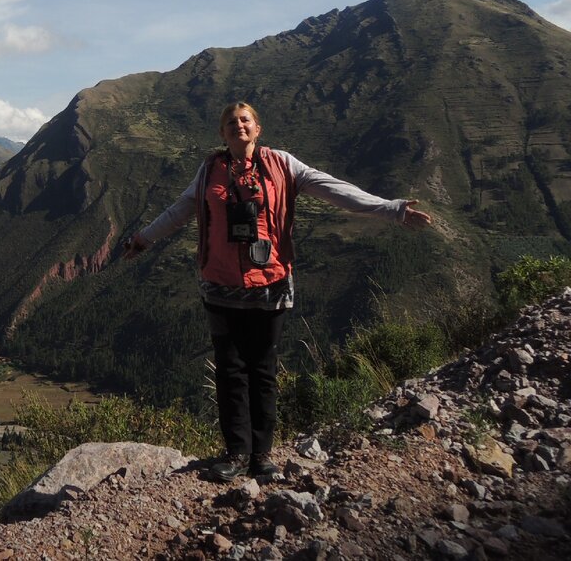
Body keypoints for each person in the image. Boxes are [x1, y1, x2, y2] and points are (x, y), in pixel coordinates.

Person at [121, 101, 431, 482]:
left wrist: (392, 209)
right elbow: (180, 210)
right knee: (230, 370)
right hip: (219, 287)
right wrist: (143, 240)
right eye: (231, 122)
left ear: (257, 128)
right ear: (223, 133)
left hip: (270, 285)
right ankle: (236, 452)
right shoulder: (209, 171)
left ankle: (262, 454)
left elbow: (335, 190)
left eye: (245, 120)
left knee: (262, 369)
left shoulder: (283, 165)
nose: (239, 126)